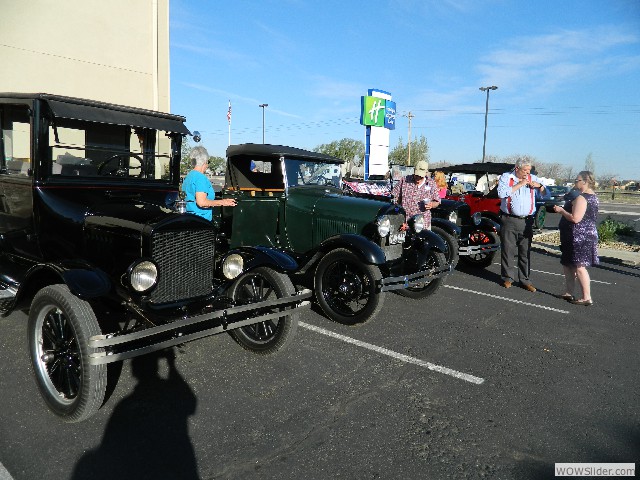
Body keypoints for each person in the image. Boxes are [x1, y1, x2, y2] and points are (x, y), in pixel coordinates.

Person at [497, 159, 546, 291]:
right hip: (509, 219)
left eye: (529, 171)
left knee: (525, 252)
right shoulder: (506, 177)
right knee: (508, 250)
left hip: (527, 221)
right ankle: (507, 278)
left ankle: (525, 280)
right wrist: (520, 184)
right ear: (517, 168)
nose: (527, 173)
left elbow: (547, 194)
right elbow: (501, 193)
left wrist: (540, 187)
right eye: (525, 170)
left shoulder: (533, 178)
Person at [553, 171, 599, 306]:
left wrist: (561, 211)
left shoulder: (582, 198)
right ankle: (569, 292)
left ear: (585, 181)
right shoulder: (593, 196)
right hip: (580, 235)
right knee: (568, 264)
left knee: (579, 266)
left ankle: (586, 297)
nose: (575, 182)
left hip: (580, 236)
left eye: (577, 180)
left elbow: (575, 218)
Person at [182, 146, 236, 220]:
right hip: (201, 220)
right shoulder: (200, 178)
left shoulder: (189, 176)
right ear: (205, 161)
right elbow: (201, 202)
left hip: (189, 218)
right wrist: (223, 202)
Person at [391, 160, 440, 230]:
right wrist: (398, 219)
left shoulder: (431, 183)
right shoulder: (404, 180)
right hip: (404, 223)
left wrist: (432, 204)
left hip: (422, 224)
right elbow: (394, 197)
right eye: (416, 175)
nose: (418, 178)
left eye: (421, 176)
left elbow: (437, 201)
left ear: (426, 173)